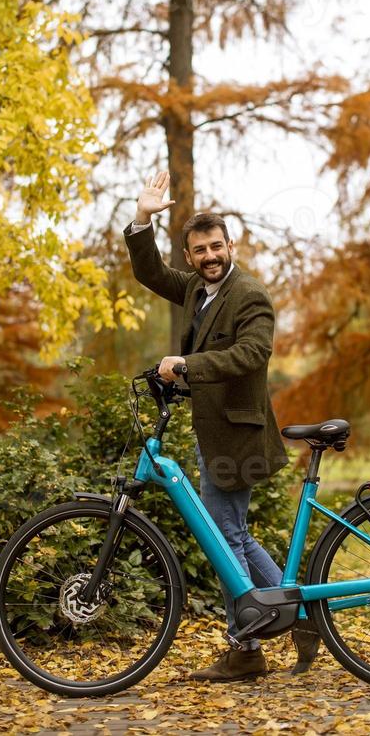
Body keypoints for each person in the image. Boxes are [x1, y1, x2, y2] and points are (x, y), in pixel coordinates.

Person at [123, 171, 320, 681]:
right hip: (217, 432)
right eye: (199, 251)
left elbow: (252, 352)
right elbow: (151, 274)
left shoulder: (248, 294)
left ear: (230, 245)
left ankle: (246, 650)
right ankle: (299, 614)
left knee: (223, 537)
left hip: (239, 435)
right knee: (233, 532)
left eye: (216, 247)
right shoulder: (197, 289)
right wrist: (142, 218)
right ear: (190, 256)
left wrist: (187, 365)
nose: (209, 256)